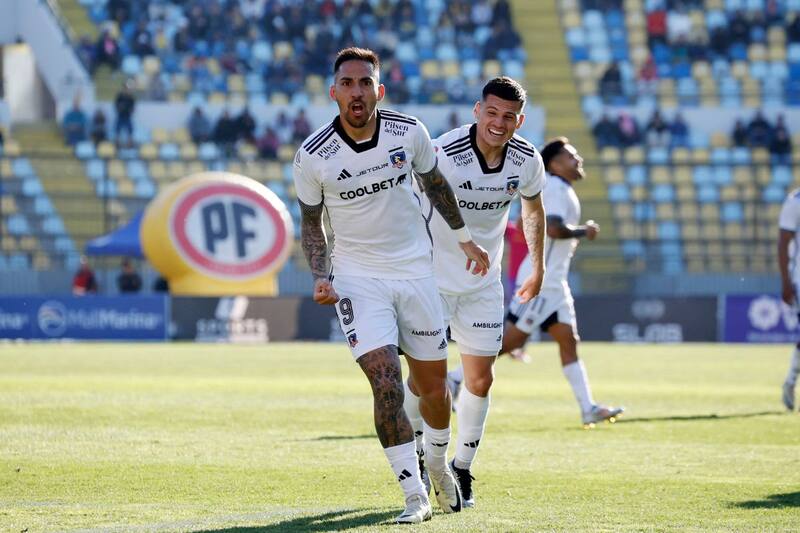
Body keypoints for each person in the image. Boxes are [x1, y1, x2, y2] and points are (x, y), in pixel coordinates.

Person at [292, 47, 489, 524]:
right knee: (385, 383)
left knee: (432, 389)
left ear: (378, 90)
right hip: (358, 278)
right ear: (333, 91)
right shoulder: (313, 156)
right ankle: (414, 494)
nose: (356, 92)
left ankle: (439, 466)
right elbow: (311, 223)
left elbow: (436, 185)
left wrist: (464, 241)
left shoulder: (409, 132)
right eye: (347, 83)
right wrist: (321, 276)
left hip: (417, 273)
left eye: (365, 83)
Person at [407, 77, 545, 509]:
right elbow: (409, 205)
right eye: (492, 113)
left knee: (480, 379)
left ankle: (462, 467)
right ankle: (418, 453)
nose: (498, 123)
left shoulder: (526, 159)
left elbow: (533, 208)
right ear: (476, 111)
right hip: (430, 282)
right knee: (423, 381)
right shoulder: (444, 152)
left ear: (519, 121)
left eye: (508, 117)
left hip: (483, 285)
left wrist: (538, 265)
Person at [500, 138, 624, 427]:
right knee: (511, 342)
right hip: (541, 281)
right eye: (571, 155)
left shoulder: (562, 189)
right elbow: (553, 228)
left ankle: (588, 408)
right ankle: (455, 380)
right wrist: (585, 231)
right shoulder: (554, 187)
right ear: (555, 164)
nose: (578, 159)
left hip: (556, 284)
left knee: (569, 341)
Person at [778, 188, 800, 411]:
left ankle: (790, 381)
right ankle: (791, 382)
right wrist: (785, 282)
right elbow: (783, 242)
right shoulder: (795, 201)